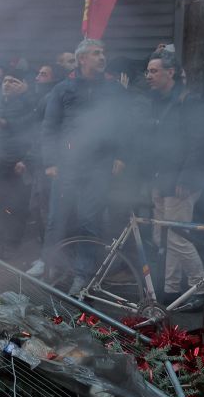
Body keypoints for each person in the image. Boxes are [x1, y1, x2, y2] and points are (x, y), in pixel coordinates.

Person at [31, 38, 133, 286]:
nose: (102, 57)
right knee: (57, 218)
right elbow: (49, 127)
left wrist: (120, 156)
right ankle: (51, 266)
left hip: (99, 166)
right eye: (96, 53)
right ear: (82, 59)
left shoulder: (114, 90)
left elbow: (125, 126)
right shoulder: (62, 88)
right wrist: (51, 162)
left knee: (90, 220)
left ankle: (82, 274)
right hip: (66, 165)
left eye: (103, 53)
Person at [142, 50, 204, 307]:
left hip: (181, 181)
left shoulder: (189, 101)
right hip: (160, 178)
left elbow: (199, 142)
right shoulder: (155, 100)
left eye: (154, 71)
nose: (148, 76)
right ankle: (171, 289)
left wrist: (185, 176)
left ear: (170, 72)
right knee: (164, 236)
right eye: (148, 71)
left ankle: (201, 287)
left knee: (178, 238)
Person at [0, 74, 36, 258]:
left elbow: (33, 133)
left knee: (16, 206)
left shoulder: (28, 104)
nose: (8, 84)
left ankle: (12, 245)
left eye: (14, 81)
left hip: (16, 165)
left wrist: (26, 160)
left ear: (23, 85)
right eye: (5, 81)